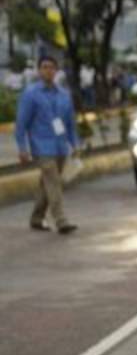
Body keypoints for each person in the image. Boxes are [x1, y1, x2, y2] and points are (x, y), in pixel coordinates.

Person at [16, 55, 79, 234]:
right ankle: (61, 220)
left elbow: (70, 124)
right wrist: (22, 148)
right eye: (44, 67)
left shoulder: (64, 95)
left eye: (51, 67)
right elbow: (21, 124)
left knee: (47, 184)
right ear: (38, 70)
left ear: (56, 71)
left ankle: (36, 218)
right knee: (53, 181)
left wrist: (75, 145)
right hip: (41, 147)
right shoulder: (30, 94)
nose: (48, 70)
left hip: (60, 147)